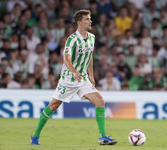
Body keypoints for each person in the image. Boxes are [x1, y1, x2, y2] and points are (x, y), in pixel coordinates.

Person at [30, 10, 118, 145]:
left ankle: (102, 137)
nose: (90, 21)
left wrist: (91, 75)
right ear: (79, 22)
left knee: (100, 101)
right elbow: (66, 58)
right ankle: (35, 135)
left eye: (90, 19)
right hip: (68, 79)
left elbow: (89, 57)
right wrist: (74, 72)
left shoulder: (92, 38)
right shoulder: (72, 39)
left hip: (83, 79)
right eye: (87, 19)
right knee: (53, 106)